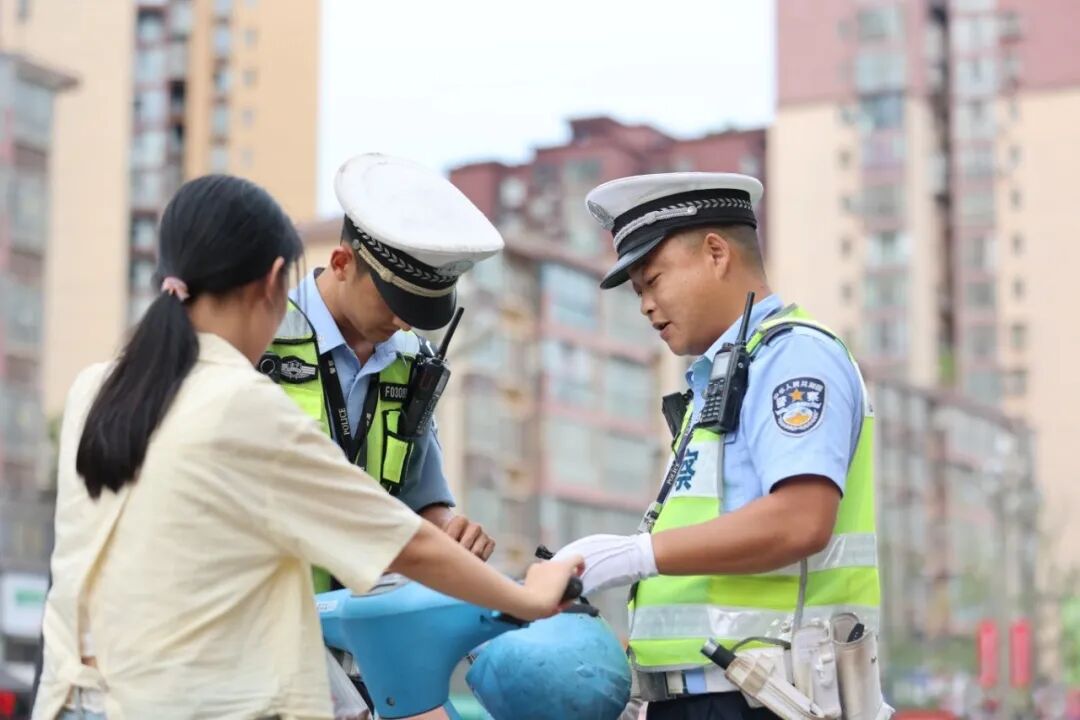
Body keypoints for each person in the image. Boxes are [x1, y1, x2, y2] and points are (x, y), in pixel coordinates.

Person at [32, 175, 582, 720]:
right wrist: (529, 597)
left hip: (81, 695)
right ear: (276, 281)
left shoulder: (96, 386)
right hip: (192, 694)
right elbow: (401, 544)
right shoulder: (242, 401)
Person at [555, 172, 881, 720]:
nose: (646, 306)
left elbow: (801, 520)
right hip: (706, 698)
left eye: (652, 281)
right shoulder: (721, 379)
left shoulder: (792, 357)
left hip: (766, 697)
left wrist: (634, 556)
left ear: (714, 253)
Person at [259, 154, 501, 591]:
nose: (404, 324)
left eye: (418, 312)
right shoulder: (259, 341)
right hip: (270, 622)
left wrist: (450, 532)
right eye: (394, 303)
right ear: (341, 264)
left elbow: (421, 502)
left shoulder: (412, 364)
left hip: (368, 633)